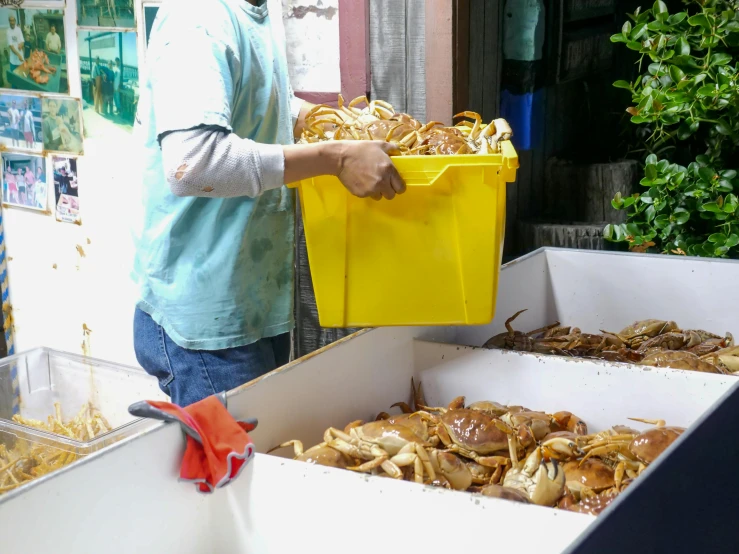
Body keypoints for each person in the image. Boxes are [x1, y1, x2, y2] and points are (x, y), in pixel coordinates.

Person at [132, 0, 406, 408]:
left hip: (249, 303)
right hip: (206, 323)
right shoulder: (199, 19)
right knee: (239, 471)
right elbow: (192, 163)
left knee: (262, 460)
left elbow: (251, 96)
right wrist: (336, 158)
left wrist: (317, 118)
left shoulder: (253, 10)